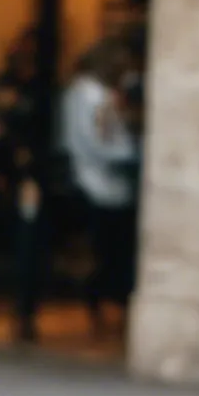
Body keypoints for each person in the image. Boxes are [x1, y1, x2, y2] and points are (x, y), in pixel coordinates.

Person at [61, 40, 142, 333]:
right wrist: (133, 155)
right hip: (99, 184)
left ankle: (105, 304)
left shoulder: (92, 95)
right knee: (108, 250)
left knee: (111, 249)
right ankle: (101, 303)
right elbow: (98, 142)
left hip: (107, 183)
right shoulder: (90, 97)